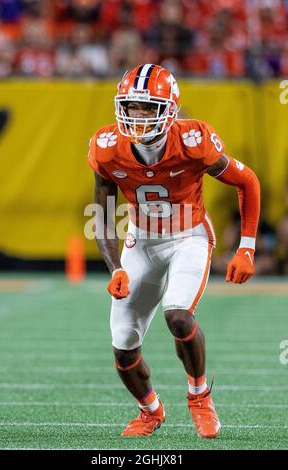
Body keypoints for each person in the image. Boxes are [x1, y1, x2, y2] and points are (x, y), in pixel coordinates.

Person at [87, 64, 260, 438]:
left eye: (149, 108)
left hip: (189, 237)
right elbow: (101, 215)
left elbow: (247, 181)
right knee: (123, 345)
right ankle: (150, 410)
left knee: (178, 316)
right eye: (132, 107)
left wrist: (246, 247)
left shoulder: (194, 140)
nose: (138, 116)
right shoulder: (107, 148)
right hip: (141, 240)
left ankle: (199, 397)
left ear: (170, 109)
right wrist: (115, 267)